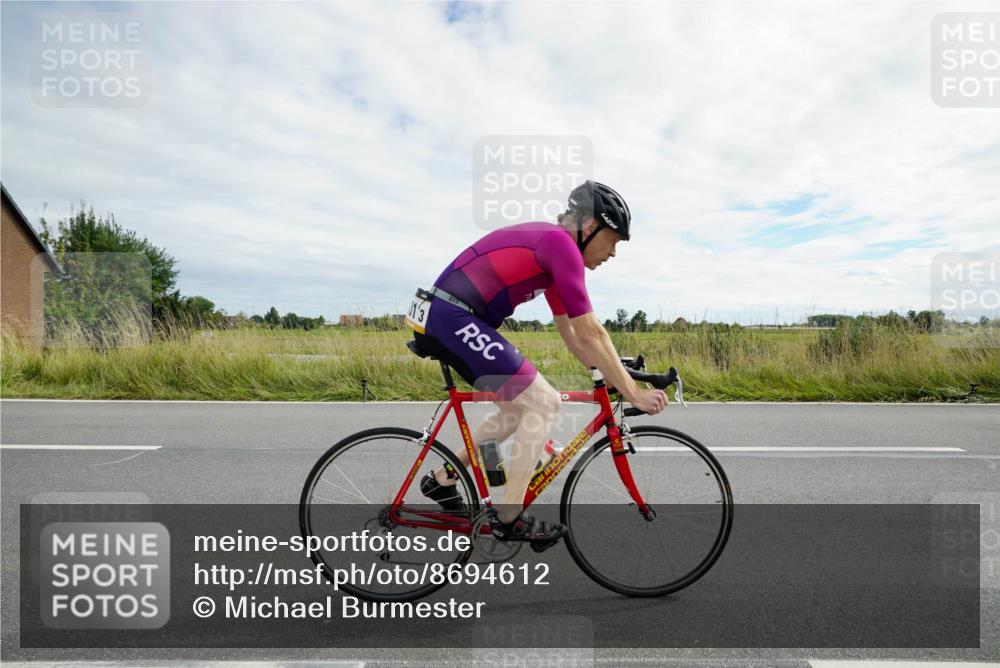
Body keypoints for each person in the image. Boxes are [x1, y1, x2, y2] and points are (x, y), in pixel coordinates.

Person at [407, 180, 667, 547]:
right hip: (452, 316)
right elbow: (592, 331)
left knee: (517, 409)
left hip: (447, 315)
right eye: (613, 240)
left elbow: (573, 334)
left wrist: (609, 373)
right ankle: (509, 518)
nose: (613, 253)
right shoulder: (560, 245)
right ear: (590, 227)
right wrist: (633, 392)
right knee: (544, 401)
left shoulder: (554, 253)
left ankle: (442, 479)